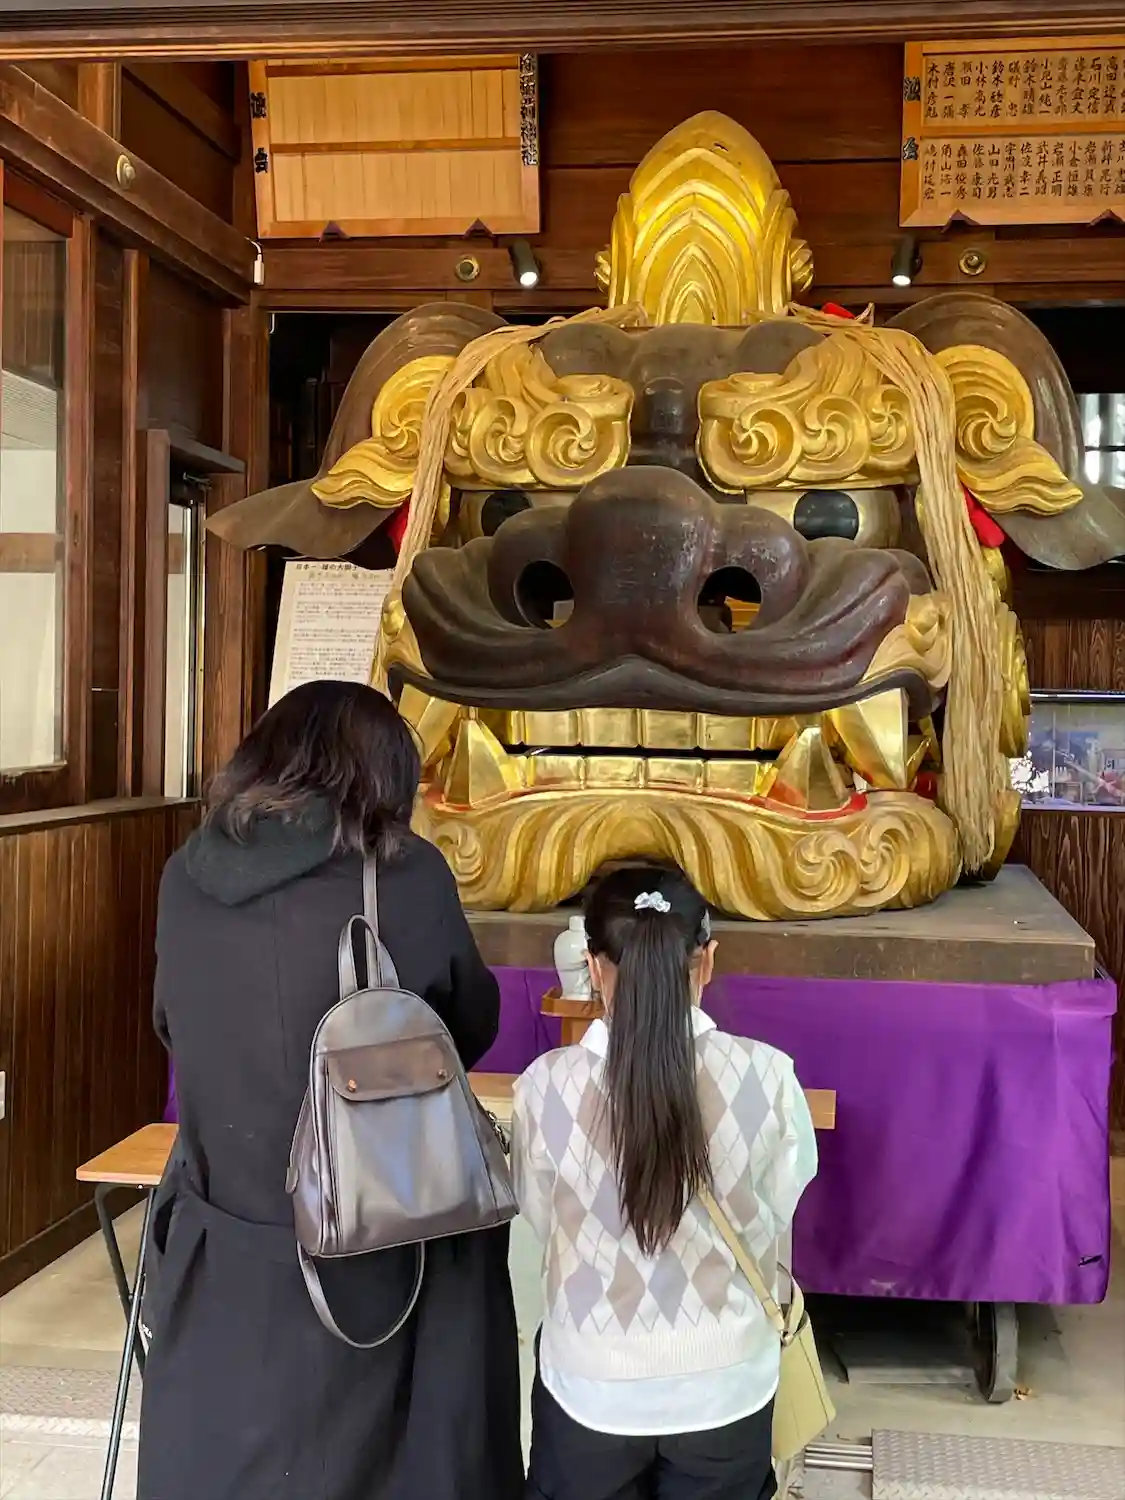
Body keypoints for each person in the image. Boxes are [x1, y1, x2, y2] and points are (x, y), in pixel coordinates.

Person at [137, 680, 524, 1500]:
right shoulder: (403, 874)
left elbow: (170, 1022)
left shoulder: (183, 876)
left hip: (227, 1237)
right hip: (382, 1236)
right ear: (383, 774)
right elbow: (466, 1026)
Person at [512, 866, 817, 1500]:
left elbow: (543, 1218)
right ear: (707, 961)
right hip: (725, 1383)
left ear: (593, 967)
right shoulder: (768, 1077)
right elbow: (778, 1206)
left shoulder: (544, 1087)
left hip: (591, 1383)